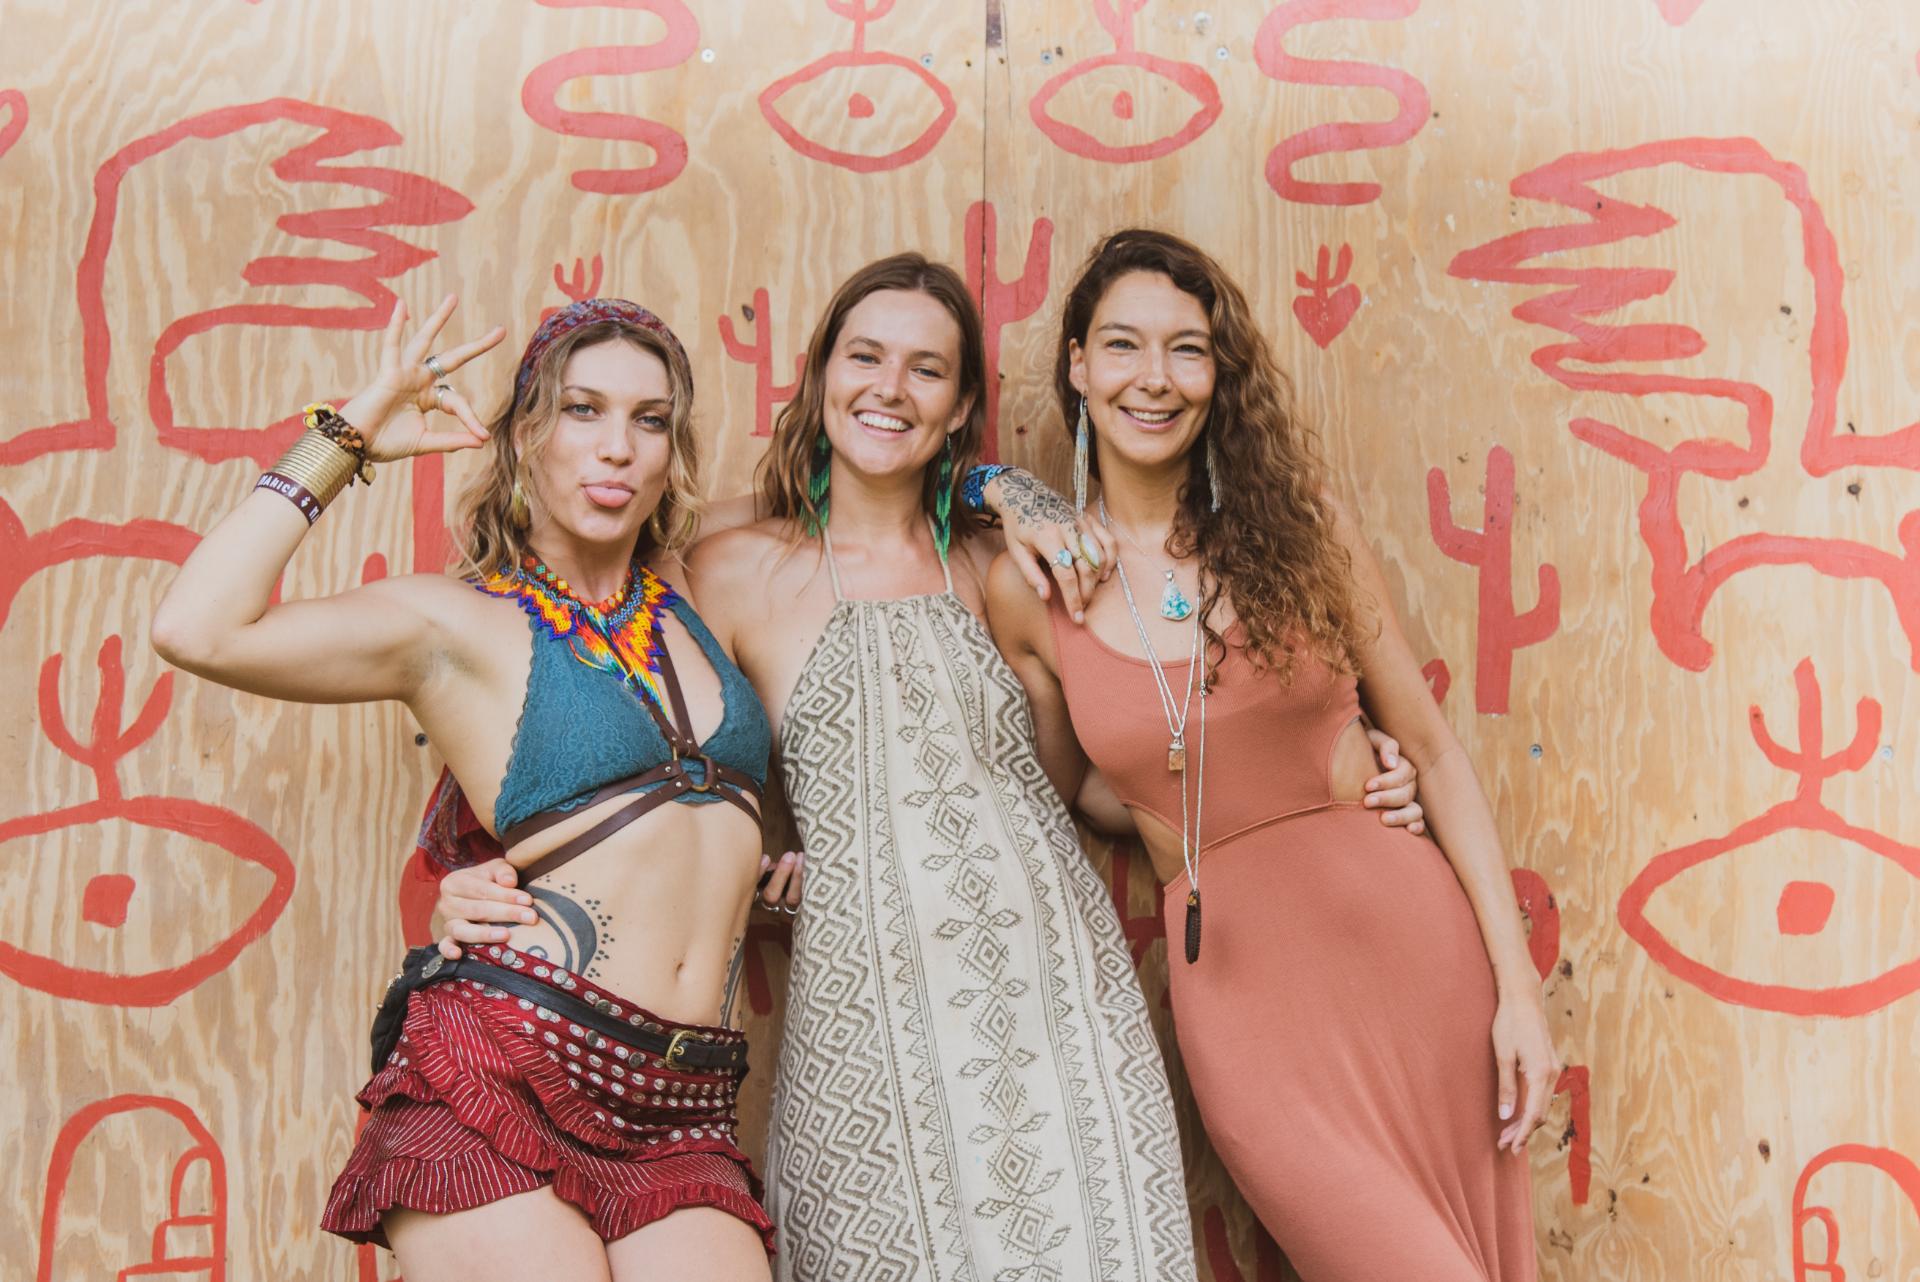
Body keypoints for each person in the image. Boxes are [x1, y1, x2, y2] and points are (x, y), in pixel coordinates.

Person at [432, 258, 1427, 1281]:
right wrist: (478, 866)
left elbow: (1115, 766)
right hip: (863, 1007)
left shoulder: (1008, 568)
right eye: (864, 357)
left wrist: (1334, 773)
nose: (890, 388)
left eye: (927, 370)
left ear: (960, 408)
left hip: (1053, 991)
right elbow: (580, 685)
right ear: (822, 377)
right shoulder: (726, 566)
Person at [151, 296, 779, 1279]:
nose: (617, 446)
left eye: (649, 420)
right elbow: (197, 628)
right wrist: (346, 439)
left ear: (673, 452)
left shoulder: (693, 591)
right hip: (501, 1072)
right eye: (581, 410)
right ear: (524, 435)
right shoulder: (452, 625)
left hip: (681, 1105)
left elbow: (861, 491)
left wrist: (999, 487)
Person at [987, 229, 1560, 1281]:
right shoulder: (1032, 587)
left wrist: (1518, 992)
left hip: (1411, 956)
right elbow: (1076, 784)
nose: (1153, 378)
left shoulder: (1299, 531)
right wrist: (1176, 810)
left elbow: (1431, 750)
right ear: (1076, 365)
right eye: (1122, 345)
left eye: (1187, 349)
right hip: (1246, 1012)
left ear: (1219, 373)